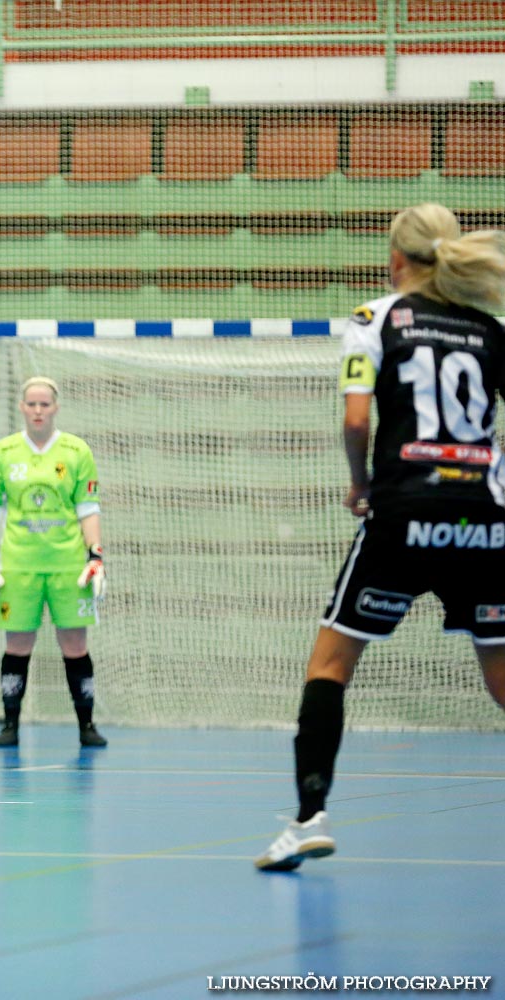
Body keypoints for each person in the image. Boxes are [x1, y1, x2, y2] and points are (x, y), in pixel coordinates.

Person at [256, 204, 505, 870]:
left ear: (395, 259)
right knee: (502, 679)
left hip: (402, 514)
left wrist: (359, 482)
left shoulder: (375, 319)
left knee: (330, 668)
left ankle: (309, 817)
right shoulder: (491, 328)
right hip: (482, 517)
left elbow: (355, 419)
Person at [0, 375, 108, 749]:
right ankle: (10, 724)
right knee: (17, 644)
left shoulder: (76, 451)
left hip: (67, 565)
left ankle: (87, 726)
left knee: (75, 644)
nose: (37, 410)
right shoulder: (4, 452)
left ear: (55, 407)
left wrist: (95, 554)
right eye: (31, 404)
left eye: (44, 404)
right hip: (19, 565)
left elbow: (87, 508)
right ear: (21, 406)